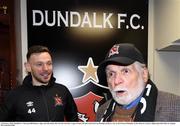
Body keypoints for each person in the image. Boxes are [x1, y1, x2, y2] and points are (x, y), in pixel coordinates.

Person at [96, 43, 180, 122]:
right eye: (111, 74)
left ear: (144, 74)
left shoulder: (175, 107)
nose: (116, 81)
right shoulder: (102, 111)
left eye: (125, 71)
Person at [0, 45, 78, 121]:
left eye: (49, 63)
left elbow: (73, 118)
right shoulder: (15, 95)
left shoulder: (62, 90)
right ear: (28, 67)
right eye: (39, 64)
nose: (46, 68)